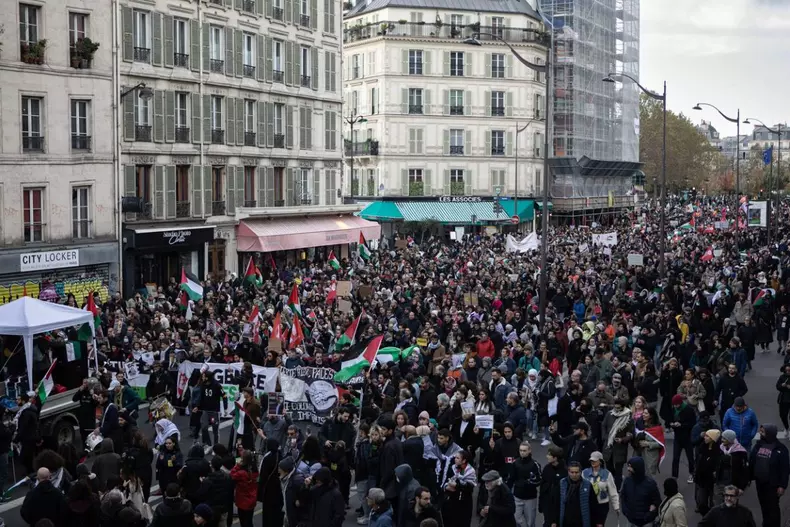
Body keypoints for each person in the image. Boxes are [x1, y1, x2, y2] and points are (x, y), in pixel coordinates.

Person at [749, 423, 789, 527]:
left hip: (773, 484)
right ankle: (766, 524)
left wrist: (782, 485)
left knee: (773, 507)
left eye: (763, 432)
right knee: (763, 505)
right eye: (760, 431)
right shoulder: (758, 445)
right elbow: (752, 460)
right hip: (760, 482)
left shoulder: (780, 449)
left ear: (770, 433)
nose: (760, 433)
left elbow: (785, 469)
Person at [600, 398, 633, 490]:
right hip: (608, 445)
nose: (616, 409)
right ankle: (612, 482)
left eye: (619, 408)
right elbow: (603, 425)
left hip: (620, 447)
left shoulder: (628, 417)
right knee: (609, 467)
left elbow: (630, 433)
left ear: (623, 407)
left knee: (619, 469)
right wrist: (605, 437)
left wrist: (623, 439)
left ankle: (617, 488)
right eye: (615, 407)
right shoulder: (609, 414)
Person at [508, 441, 541, 527]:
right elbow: (511, 479)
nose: (522, 452)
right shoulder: (515, 463)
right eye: (520, 450)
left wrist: (529, 483)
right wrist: (508, 492)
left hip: (530, 498)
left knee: (530, 522)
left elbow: (539, 480)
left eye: (524, 450)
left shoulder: (535, 464)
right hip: (517, 496)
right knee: (516, 520)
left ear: (529, 450)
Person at [620, 457, 660, 527]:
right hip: (631, 521)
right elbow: (623, 497)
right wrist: (625, 511)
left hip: (646, 523)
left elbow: (657, 502)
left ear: (637, 468)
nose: (628, 469)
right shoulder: (627, 481)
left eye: (630, 467)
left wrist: (649, 516)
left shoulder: (650, 484)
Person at [582, 451, 619, 527]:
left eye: (595, 460)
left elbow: (613, 491)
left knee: (599, 525)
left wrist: (616, 506)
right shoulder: (584, 473)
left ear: (600, 461)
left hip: (602, 505)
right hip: (588, 504)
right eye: (591, 460)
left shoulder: (607, 474)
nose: (593, 462)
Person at [713, 429, 750, 505]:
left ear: (730, 440)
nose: (722, 440)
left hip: (733, 483)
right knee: (718, 505)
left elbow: (744, 471)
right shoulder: (720, 448)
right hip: (720, 482)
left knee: (731, 506)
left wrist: (742, 487)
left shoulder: (740, 452)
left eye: (724, 438)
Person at [441, 450, 476, 527]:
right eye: (455, 457)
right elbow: (446, 480)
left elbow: (469, 488)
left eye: (457, 458)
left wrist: (457, 486)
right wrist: (447, 486)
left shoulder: (470, 471)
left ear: (464, 460)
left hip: (464, 503)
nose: (455, 459)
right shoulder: (453, 468)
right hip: (452, 501)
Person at [668, 394, 696, 483]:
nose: (675, 406)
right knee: (675, 458)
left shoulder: (689, 410)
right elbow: (670, 419)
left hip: (687, 437)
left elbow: (692, 423)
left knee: (690, 457)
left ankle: (692, 473)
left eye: (676, 405)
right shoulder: (674, 409)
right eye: (674, 405)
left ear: (680, 403)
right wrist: (671, 424)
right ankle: (674, 476)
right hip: (678, 437)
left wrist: (682, 425)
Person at [558, 462, 594, 527]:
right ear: (568, 472)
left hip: (581, 522)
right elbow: (556, 503)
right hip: (566, 521)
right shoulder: (562, 483)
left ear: (580, 472)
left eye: (576, 472)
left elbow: (593, 505)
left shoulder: (587, 485)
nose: (574, 475)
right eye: (572, 472)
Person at [694, 429, 721, 516]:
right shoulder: (702, 447)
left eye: (707, 436)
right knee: (702, 503)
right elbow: (698, 462)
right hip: (702, 480)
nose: (704, 438)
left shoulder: (719, 451)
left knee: (714, 504)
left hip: (713, 481)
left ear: (713, 438)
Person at [378, 419, 404, 503]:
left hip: (390, 485)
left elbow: (388, 469)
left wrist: (382, 484)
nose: (381, 431)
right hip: (396, 482)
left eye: (384, 429)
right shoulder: (396, 441)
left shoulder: (389, 446)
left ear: (390, 431)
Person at [230, 450, 258, 527]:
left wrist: (237, 466)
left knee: (243, 521)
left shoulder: (241, 473)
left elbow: (232, 475)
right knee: (249, 520)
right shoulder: (255, 470)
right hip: (252, 499)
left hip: (242, 500)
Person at [539, 445, 565, 527]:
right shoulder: (547, 468)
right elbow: (542, 487)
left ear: (555, 458)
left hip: (559, 507)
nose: (547, 456)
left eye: (549, 455)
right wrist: (541, 505)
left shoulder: (564, 471)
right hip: (547, 505)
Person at [15, 392, 41, 475]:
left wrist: (16, 439)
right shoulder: (26, 410)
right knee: (28, 458)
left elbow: (23, 427)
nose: (16, 401)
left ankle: (32, 474)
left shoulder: (26, 413)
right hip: (29, 438)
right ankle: (31, 473)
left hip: (28, 438)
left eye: (18, 399)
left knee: (25, 458)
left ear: (23, 401)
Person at [72, 379, 98, 443]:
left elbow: (96, 404)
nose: (84, 384)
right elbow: (74, 399)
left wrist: (92, 396)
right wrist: (79, 391)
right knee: (83, 436)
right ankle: (84, 450)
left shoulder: (93, 391)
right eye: (83, 383)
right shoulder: (81, 392)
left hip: (90, 419)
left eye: (86, 383)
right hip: (82, 419)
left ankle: (91, 450)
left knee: (90, 436)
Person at [775, 364, 790, 438]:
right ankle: (786, 427)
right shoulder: (782, 377)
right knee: (783, 415)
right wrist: (782, 385)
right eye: (786, 370)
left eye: (789, 370)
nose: (787, 372)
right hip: (783, 399)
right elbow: (777, 386)